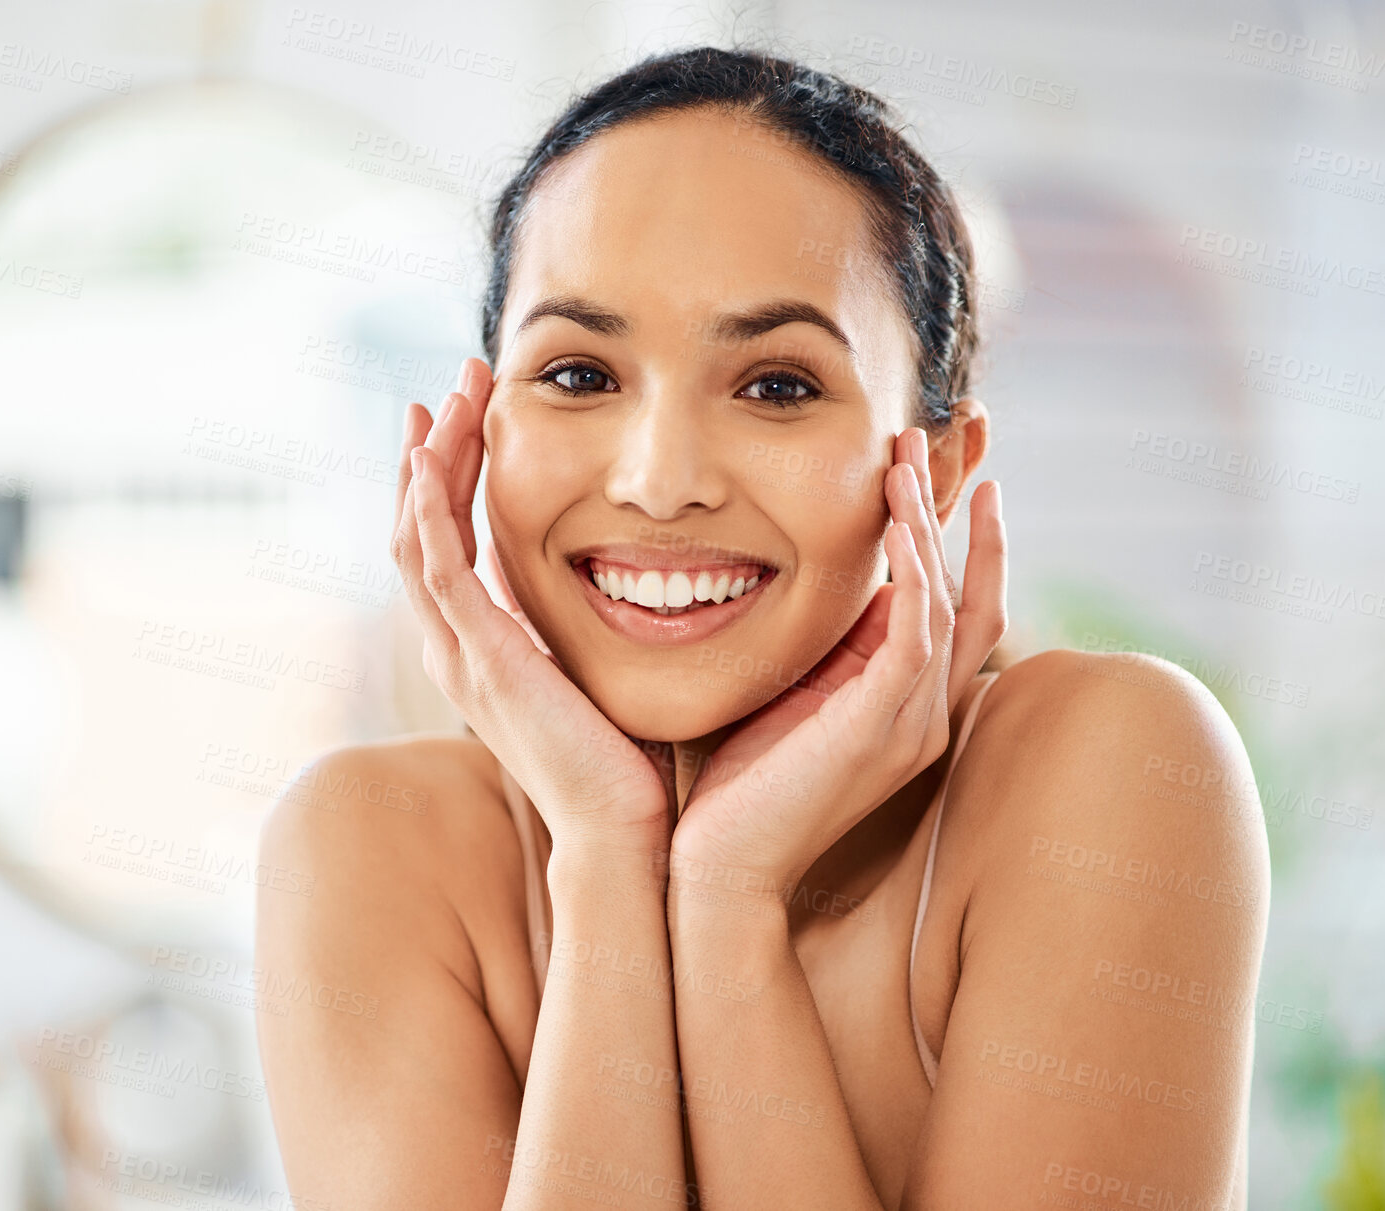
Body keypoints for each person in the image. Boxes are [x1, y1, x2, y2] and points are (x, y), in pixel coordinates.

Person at [254, 45, 1268, 1211]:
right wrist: (602, 856)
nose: (658, 479)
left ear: (933, 464)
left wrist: (728, 904)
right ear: (480, 431)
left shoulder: (1109, 768)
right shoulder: (372, 852)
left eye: (777, 384)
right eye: (580, 373)